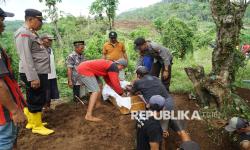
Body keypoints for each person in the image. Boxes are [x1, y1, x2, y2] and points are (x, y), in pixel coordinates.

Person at [15, 9, 54, 135]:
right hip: (33, 73)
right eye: (39, 20)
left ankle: (32, 122)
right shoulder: (23, 33)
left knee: (33, 96)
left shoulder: (31, 33)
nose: (41, 23)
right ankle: (37, 126)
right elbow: (26, 57)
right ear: (30, 19)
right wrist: (33, 77)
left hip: (37, 71)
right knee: (36, 97)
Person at [0, 8, 27, 150]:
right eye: (1, 20)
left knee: (10, 139)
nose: (4, 24)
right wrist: (15, 110)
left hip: (6, 105)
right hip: (3, 110)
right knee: (5, 142)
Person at [40, 33, 60, 109]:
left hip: (52, 74)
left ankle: (48, 107)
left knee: (51, 93)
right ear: (42, 40)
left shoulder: (50, 49)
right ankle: (44, 108)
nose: (50, 42)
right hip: (44, 75)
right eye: (49, 40)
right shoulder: (39, 49)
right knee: (45, 93)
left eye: (51, 40)